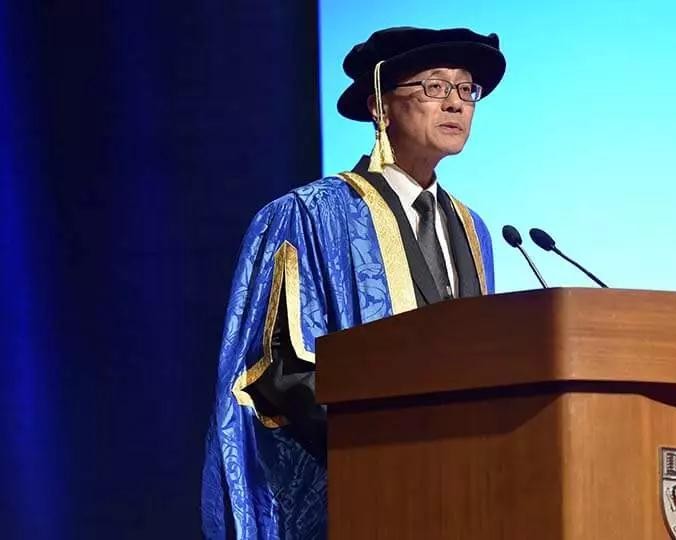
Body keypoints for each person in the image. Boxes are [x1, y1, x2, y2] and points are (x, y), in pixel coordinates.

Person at [200, 26, 505, 538]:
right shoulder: (309, 215)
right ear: (380, 108)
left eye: (465, 89)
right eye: (434, 86)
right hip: (355, 495)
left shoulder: (475, 231)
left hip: (460, 494)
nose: (455, 103)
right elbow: (276, 369)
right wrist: (388, 444)